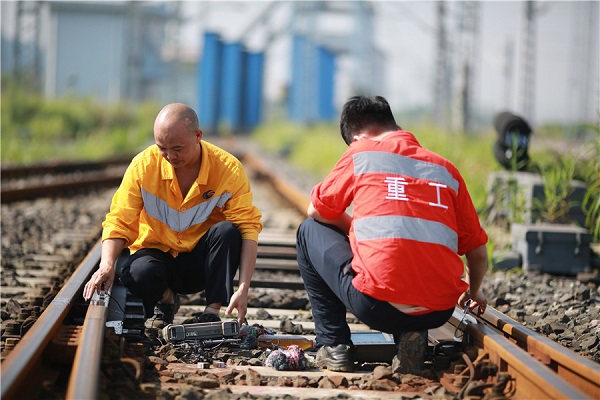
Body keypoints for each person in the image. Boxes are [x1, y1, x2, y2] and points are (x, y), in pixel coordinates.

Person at [296, 96, 488, 373]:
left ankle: (333, 345)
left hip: (378, 307)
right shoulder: (446, 170)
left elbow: (316, 209)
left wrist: (353, 230)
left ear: (358, 136)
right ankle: (411, 333)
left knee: (307, 230)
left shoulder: (361, 152)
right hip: (439, 310)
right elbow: (478, 251)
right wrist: (473, 290)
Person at [83, 103, 263, 341]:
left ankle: (212, 312)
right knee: (135, 272)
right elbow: (119, 219)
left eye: (177, 148)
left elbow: (248, 228)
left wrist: (243, 288)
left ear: (198, 136)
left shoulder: (227, 169)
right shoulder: (143, 166)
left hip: (202, 265)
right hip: (159, 259)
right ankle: (166, 300)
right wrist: (107, 264)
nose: (170, 156)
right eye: (162, 148)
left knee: (228, 231)